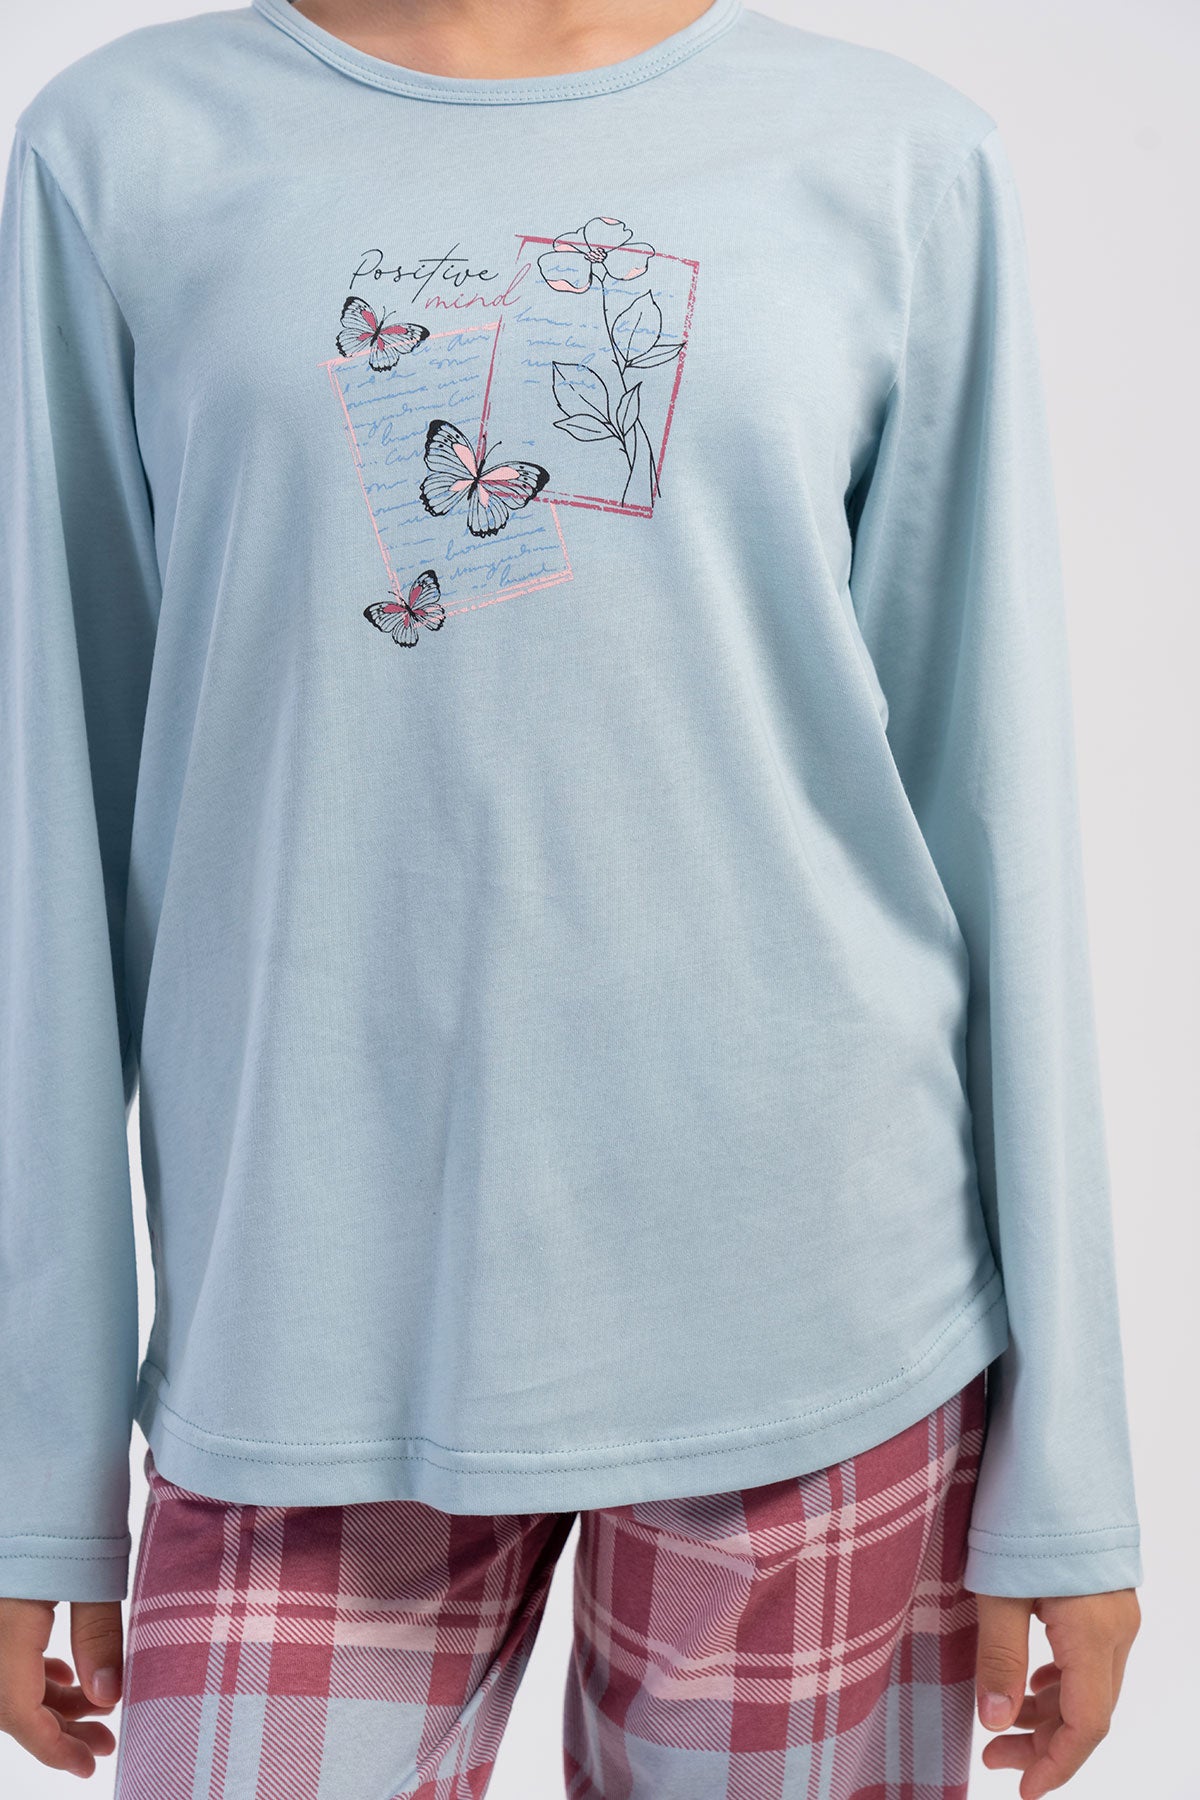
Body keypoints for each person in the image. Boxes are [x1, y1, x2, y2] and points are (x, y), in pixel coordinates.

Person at [0, 1, 1142, 1795]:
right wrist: (33, 1465)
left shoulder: (895, 157)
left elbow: (993, 797)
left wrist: (1071, 1461)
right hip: (305, 1323)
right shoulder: (124, 148)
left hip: (819, 1309)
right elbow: (46, 815)